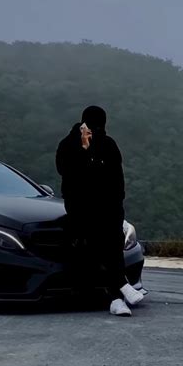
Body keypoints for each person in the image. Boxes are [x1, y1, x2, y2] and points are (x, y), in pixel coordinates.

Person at [55, 105, 144, 316]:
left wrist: (118, 206)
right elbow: (66, 171)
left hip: (109, 208)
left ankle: (117, 297)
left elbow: (117, 178)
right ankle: (120, 288)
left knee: (113, 247)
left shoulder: (108, 144)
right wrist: (83, 148)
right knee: (97, 245)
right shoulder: (69, 144)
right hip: (82, 208)